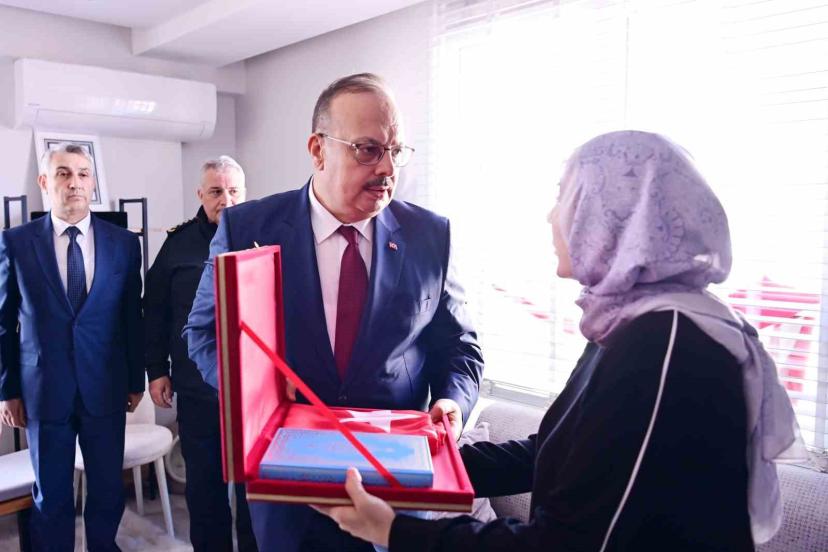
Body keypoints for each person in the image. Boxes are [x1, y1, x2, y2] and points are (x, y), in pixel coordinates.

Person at [314, 130, 807, 551]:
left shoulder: (669, 344)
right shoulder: (631, 322)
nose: (551, 216)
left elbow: (568, 543)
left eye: (567, 196)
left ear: (618, 215)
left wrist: (393, 529)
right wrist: (406, 465)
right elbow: (555, 453)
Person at [184, 73, 484, 551]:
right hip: (289, 492)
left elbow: (460, 347)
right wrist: (252, 387)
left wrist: (453, 403)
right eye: (368, 150)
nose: (387, 167)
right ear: (318, 149)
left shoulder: (430, 235)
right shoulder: (248, 227)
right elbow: (204, 333)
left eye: (396, 151)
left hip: (396, 496)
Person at [0, 143, 144, 551]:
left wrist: (135, 380)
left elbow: (131, 317)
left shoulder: (123, 244)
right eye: (63, 173)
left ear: (92, 183)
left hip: (105, 387)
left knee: (108, 491)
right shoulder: (16, 242)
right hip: (44, 392)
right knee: (51, 496)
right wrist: (7, 391)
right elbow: (3, 324)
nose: (74, 183)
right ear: (45, 182)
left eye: (82, 174)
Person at [144, 156, 257, 551]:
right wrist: (156, 370)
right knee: (205, 492)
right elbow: (154, 311)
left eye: (233, 191)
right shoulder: (177, 245)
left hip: (252, 393)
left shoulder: (263, 237)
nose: (226, 199)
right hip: (197, 390)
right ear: (200, 194)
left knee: (253, 495)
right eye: (216, 191)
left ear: (245, 193)